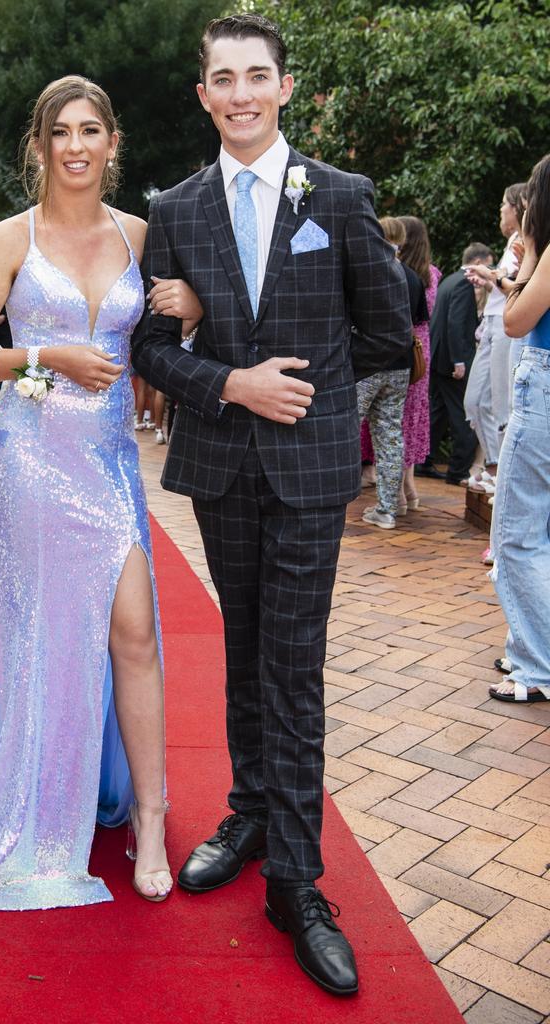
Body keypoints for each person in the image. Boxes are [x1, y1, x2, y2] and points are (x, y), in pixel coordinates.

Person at [132, 14, 410, 995]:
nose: (242, 93)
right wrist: (228, 380)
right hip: (219, 463)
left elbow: (388, 339)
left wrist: (302, 396)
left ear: (285, 88)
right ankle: (249, 811)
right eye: (224, 78)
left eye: (259, 75)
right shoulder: (174, 208)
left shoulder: (338, 195)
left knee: (293, 666)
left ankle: (296, 880)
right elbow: (148, 353)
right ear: (203, 95)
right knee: (247, 648)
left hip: (307, 466)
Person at [0, 75, 199, 911]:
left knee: (135, 629)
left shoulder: (142, 235)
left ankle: (151, 816)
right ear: (38, 147)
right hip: (29, 462)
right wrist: (47, 358)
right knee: (44, 632)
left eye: (91, 131)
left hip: (108, 462)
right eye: (60, 132)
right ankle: (33, 790)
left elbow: (164, 341)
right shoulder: (11, 238)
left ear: (112, 144)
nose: (75, 146)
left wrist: (189, 309)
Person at [470, 156, 550, 703]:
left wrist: (518, 273)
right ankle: (531, 643)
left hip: (542, 388)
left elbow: (517, 319)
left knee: (516, 536)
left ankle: (535, 665)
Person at [356, 217, 421, 529]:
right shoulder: (411, 275)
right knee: (390, 435)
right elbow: (419, 321)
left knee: (345, 430)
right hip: (400, 364)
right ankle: (387, 509)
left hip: (367, 364)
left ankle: (327, 501)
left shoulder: (368, 272)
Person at [463, 184, 527, 492]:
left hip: (505, 328)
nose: (500, 210)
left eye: (504, 204)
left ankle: (500, 470)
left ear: (517, 207)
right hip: (491, 326)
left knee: (502, 403)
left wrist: (491, 277)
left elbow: (518, 287)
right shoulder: (513, 242)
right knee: (474, 400)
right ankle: (493, 462)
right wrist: (488, 281)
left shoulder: (524, 241)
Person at [425, 243, 492, 485]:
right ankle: (458, 470)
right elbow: (454, 324)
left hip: (438, 356)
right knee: (465, 414)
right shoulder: (464, 283)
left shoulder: (450, 279)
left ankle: (424, 460)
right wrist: (459, 361)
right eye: (488, 265)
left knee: (437, 412)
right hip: (451, 361)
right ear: (478, 263)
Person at [397, 215, 440, 513]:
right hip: (422, 351)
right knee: (412, 417)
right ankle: (410, 487)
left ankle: (399, 492)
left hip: (403, 347)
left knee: (394, 418)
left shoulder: (400, 274)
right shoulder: (432, 275)